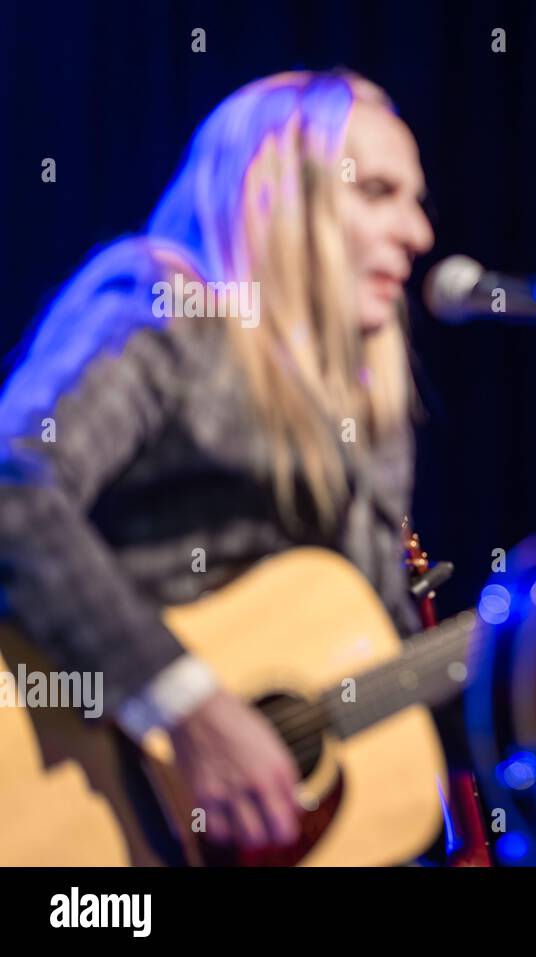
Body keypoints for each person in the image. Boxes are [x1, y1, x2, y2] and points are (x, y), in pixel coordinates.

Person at [0, 70, 435, 854]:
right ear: (277, 198)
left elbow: (381, 652)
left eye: (416, 200)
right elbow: (13, 485)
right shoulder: (166, 306)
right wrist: (188, 706)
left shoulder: (367, 405)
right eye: (377, 192)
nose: (418, 233)